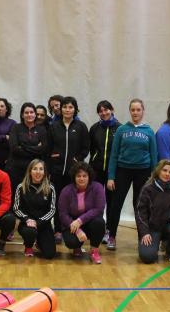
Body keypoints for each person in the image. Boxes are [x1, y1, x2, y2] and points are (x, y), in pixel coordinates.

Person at [106, 98, 157, 250]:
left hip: (143, 172)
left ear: (143, 111)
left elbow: (154, 156)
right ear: (130, 111)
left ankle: (142, 236)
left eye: (138, 110)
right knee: (116, 204)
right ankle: (112, 236)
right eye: (133, 110)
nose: (135, 112)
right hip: (123, 170)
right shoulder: (122, 130)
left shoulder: (149, 131)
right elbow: (114, 155)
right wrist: (111, 176)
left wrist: (154, 177)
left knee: (140, 205)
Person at [48, 96, 89, 242]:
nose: (67, 110)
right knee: (59, 201)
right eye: (65, 107)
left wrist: (76, 160)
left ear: (75, 109)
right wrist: (53, 160)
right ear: (61, 109)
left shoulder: (81, 127)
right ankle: (58, 230)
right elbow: (48, 147)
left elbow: (86, 148)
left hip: (74, 173)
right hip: (57, 171)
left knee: (74, 202)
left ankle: (74, 228)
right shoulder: (53, 126)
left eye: (70, 107)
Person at [136, 159, 170, 264]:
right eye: (165, 170)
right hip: (152, 228)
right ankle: (154, 244)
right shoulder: (147, 188)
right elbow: (141, 213)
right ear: (158, 171)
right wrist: (144, 233)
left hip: (168, 226)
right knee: (147, 257)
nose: (167, 174)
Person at [58, 162, 105, 264]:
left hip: (89, 222)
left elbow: (99, 209)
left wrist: (80, 221)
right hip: (72, 224)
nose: (81, 179)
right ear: (74, 177)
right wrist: (77, 230)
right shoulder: (66, 191)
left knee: (99, 222)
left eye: (84, 176)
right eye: (78, 176)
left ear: (89, 177)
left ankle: (94, 250)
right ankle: (77, 247)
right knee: (71, 243)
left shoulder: (98, 187)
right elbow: (62, 214)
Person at [88, 100, 120, 244]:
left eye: (106, 110)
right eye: (101, 111)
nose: (104, 113)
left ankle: (110, 232)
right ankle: (96, 229)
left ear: (112, 110)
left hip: (113, 172)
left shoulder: (120, 128)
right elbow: (91, 150)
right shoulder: (94, 128)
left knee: (112, 202)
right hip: (97, 170)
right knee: (97, 201)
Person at [13, 159, 57, 259]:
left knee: (49, 254)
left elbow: (52, 210)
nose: (38, 172)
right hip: (27, 224)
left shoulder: (50, 187)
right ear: (30, 171)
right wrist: (27, 219)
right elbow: (16, 208)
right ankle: (28, 246)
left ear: (44, 172)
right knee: (30, 232)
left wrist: (38, 222)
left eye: (41, 169)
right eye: (35, 169)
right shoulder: (21, 187)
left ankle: (39, 242)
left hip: (43, 224)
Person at [7, 103, 49, 192]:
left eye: (31, 112)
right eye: (26, 113)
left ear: (35, 114)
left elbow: (43, 149)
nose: (29, 115)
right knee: (16, 193)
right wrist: (35, 148)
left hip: (34, 170)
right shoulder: (16, 128)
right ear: (22, 115)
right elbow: (14, 149)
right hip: (16, 168)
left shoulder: (42, 129)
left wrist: (23, 146)